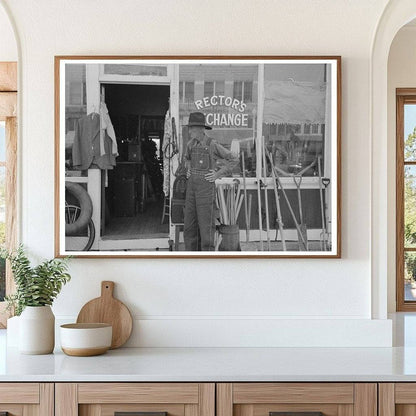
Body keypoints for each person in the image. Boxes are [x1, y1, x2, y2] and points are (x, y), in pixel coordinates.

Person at [184, 112, 238, 251]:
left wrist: (218, 174)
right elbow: (187, 159)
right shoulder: (190, 144)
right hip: (191, 190)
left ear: (201, 129)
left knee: (206, 226)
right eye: (189, 128)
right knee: (190, 226)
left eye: (192, 128)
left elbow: (233, 159)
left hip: (205, 191)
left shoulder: (212, 144)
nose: (189, 131)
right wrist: (189, 168)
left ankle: (206, 259)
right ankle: (191, 259)